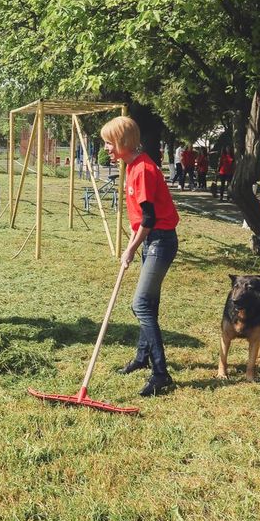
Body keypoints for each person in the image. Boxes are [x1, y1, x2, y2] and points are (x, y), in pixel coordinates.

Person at [101, 116, 180, 397]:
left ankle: (161, 373)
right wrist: (136, 244)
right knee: (151, 302)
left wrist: (131, 248)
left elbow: (149, 217)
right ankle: (141, 357)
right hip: (151, 241)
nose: (107, 148)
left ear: (123, 141)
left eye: (109, 143)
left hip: (160, 241)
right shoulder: (133, 166)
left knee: (141, 304)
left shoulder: (143, 169)